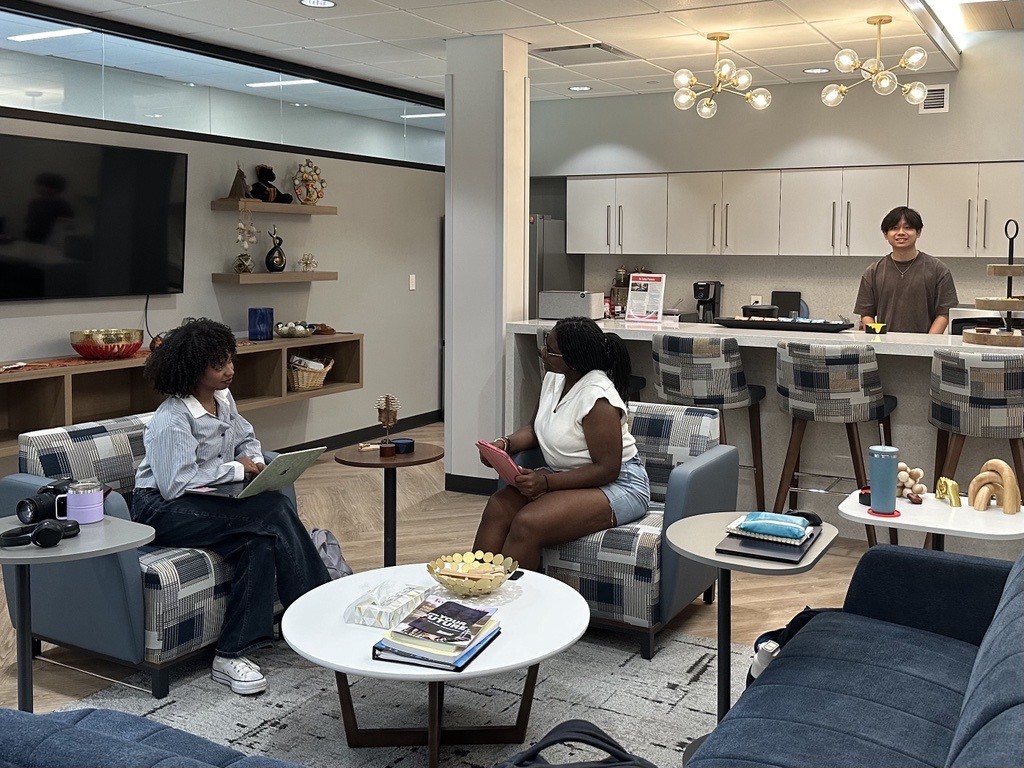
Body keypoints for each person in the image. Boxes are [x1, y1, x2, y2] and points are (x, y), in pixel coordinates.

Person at [132, 318, 329, 695]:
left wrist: (253, 459)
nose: (230, 370)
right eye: (219, 364)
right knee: (271, 510)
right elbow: (176, 484)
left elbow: (246, 438)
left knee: (259, 541)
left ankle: (231, 654)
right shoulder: (173, 419)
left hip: (205, 502)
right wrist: (237, 469)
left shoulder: (224, 401)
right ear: (193, 369)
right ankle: (314, 608)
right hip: (159, 509)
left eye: (229, 360)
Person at [473, 317, 650, 570]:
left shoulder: (597, 398)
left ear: (572, 359)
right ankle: (474, 592)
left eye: (550, 349)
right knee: (498, 506)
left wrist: (545, 483)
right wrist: (504, 445)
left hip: (618, 484)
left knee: (528, 522)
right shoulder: (554, 379)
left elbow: (607, 469)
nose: (542, 352)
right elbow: (534, 430)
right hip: (569, 475)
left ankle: (518, 606)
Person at [855, 206, 958, 334]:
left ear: (918, 232)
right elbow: (866, 313)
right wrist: (879, 339)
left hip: (926, 349)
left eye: (908, 227)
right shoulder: (873, 272)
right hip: (884, 348)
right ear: (885, 234)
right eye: (894, 228)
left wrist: (928, 343)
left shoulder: (938, 270)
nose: (901, 232)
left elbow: (945, 312)